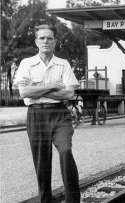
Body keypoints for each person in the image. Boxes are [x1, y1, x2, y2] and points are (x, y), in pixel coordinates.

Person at [14, 24, 80, 203]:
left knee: (66, 151)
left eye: (49, 38)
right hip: (36, 114)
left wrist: (38, 89)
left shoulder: (63, 64)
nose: (46, 41)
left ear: (55, 42)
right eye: (42, 38)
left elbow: (69, 93)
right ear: (36, 41)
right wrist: (52, 86)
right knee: (42, 162)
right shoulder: (27, 64)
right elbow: (24, 93)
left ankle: (73, 200)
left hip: (60, 114)